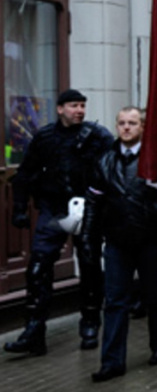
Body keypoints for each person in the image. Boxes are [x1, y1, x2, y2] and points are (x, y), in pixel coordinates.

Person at [5, 89, 114, 355]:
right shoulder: (45, 137)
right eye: (74, 106)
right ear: (60, 109)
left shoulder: (97, 137)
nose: (80, 110)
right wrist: (20, 207)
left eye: (82, 106)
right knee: (37, 268)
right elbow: (26, 172)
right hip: (53, 211)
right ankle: (34, 331)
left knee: (89, 266)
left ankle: (90, 323)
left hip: (87, 210)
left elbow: (113, 170)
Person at [82, 107, 157, 381]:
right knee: (115, 301)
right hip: (116, 241)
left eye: (132, 123)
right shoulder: (104, 161)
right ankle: (112, 361)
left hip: (150, 240)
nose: (126, 127)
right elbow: (93, 203)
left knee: (155, 297)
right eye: (122, 123)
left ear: (142, 127)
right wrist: (88, 239)